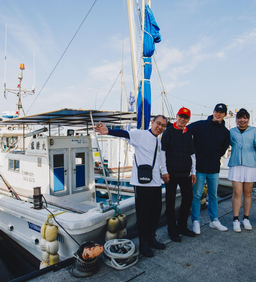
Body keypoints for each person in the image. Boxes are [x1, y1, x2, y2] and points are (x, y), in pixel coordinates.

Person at [94, 115, 168, 258]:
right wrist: (108, 131)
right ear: (152, 122)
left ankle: (152, 238)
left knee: (155, 212)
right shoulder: (141, 134)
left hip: (155, 182)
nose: (160, 127)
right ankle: (144, 244)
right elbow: (125, 133)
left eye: (163, 125)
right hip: (142, 183)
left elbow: (160, 159)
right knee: (144, 215)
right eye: (158, 123)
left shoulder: (158, 142)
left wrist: (164, 173)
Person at [188, 103, 231, 234]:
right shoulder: (200, 125)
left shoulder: (225, 132)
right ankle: (195, 221)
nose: (218, 114)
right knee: (196, 195)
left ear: (225, 115)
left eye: (221, 112)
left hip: (214, 169)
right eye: (216, 111)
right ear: (213, 112)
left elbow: (223, 150)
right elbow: (184, 130)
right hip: (199, 168)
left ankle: (214, 220)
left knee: (213, 196)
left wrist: (213, 156)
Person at [160, 107, 197, 242]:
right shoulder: (168, 132)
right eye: (181, 116)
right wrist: (164, 171)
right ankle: (172, 229)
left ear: (188, 120)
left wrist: (193, 172)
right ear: (176, 116)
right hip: (171, 173)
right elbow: (162, 152)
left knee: (188, 198)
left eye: (185, 117)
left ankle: (182, 226)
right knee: (170, 202)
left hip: (185, 173)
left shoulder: (189, 134)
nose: (182, 119)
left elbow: (192, 154)